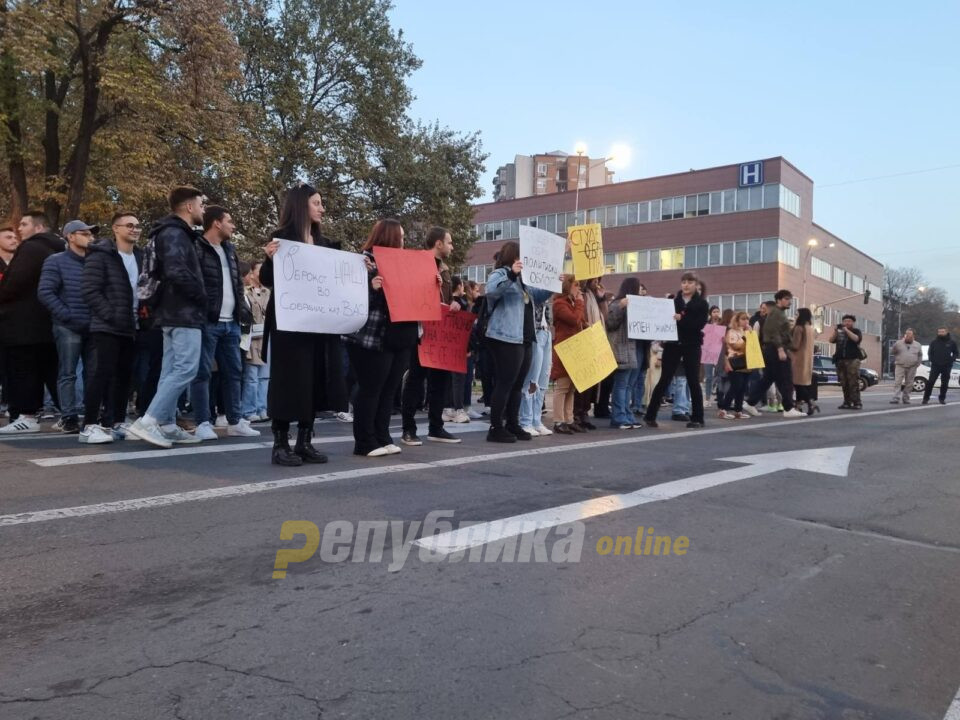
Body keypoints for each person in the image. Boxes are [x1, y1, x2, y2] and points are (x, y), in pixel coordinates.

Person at [259, 184, 345, 465]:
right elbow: (267, 279)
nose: (322, 208)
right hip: (288, 324)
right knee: (287, 381)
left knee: (314, 379)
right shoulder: (282, 240)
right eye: (317, 203)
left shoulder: (326, 245)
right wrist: (270, 258)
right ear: (301, 206)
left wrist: (361, 270)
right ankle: (280, 443)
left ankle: (304, 441)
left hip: (318, 323)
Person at [126, 187, 208, 448]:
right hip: (183, 312)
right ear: (188, 207)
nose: (203, 209)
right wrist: (202, 296)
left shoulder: (173, 232)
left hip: (172, 313)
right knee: (185, 369)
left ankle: (167, 424)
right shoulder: (175, 233)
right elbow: (175, 271)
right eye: (201, 204)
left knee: (171, 370)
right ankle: (148, 421)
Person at [343, 219, 419, 457]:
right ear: (390, 238)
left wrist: (430, 284)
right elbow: (347, 297)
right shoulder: (363, 262)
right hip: (371, 337)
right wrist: (370, 287)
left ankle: (382, 436)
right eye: (401, 237)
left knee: (389, 388)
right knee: (371, 387)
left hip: (398, 336)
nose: (404, 242)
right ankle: (364, 441)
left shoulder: (405, 264)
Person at [190, 206, 259, 441]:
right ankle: (202, 422)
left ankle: (235, 420)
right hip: (208, 321)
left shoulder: (229, 249)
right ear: (217, 223)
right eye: (229, 221)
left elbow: (237, 285)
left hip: (231, 323)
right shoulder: (197, 247)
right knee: (202, 373)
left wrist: (242, 311)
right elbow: (194, 282)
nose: (233, 225)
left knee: (234, 372)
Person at [79, 215, 144, 443]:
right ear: (116, 229)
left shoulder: (140, 256)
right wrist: (110, 315)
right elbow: (90, 290)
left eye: (137, 226)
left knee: (124, 376)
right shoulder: (101, 255)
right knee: (101, 374)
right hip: (107, 326)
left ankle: (116, 421)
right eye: (129, 225)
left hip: (133, 325)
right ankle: (89, 425)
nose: (135, 229)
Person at [0, 211, 65, 434]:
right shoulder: (61, 247)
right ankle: (69, 414)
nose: (19, 229)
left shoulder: (31, 248)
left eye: (25, 224)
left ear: (38, 228)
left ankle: (27, 416)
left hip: (22, 322)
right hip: (50, 321)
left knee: (23, 369)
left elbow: (14, 282)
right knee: (52, 370)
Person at [482, 241, 553, 442]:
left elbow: (537, 297)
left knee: (518, 384)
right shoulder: (501, 274)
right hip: (505, 337)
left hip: (524, 337)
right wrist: (512, 274)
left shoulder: (525, 280)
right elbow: (492, 292)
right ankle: (496, 427)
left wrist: (551, 285)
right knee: (505, 382)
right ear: (514, 256)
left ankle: (513, 424)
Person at [398, 226, 461, 445]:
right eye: (450, 242)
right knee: (416, 380)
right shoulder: (418, 263)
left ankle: (436, 427)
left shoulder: (445, 269)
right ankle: (408, 429)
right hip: (422, 332)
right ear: (438, 243)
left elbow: (446, 299)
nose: (452, 246)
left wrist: (453, 303)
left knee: (440, 382)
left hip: (440, 333)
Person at [37, 220, 96, 434]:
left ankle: (91, 415)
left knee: (93, 373)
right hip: (67, 326)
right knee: (68, 373)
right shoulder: (55, 261)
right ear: (70, 236)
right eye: (85, 233)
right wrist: (66, 316)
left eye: (91, 234)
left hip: (93, 326)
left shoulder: (95, 261)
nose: (91, 237)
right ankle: (69, 416)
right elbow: (45, 292)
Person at [643, 272, 710, 428]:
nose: (686, 285)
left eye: (690, 282)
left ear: (696, 285)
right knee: (665, 379)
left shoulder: (702, 304)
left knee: (693, 380)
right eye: (684, 282)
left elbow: (699, 324)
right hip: (673, 344)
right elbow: (662, 319)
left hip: (691, 344)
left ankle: (698, 418)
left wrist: (682, 319)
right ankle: (650, 415)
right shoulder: (672, 302)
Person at [743, 290, 806, 418]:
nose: (790, 301)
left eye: (790, 299)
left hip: (773, 350)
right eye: (787, 299)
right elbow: (772, 332)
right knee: (786, 379)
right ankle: (788, 408)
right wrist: (780, 349)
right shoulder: (776, 313)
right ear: (779, 300)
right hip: (775, 350)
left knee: (767, 379)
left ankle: (750, 403)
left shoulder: (779, 313)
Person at [518, 277, 554, 437]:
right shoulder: (529, 284)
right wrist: (553, 282)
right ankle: (526, 420)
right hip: (536, 332)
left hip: (546, 332)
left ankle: (536, 420)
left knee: (543, 379)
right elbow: (539, 296)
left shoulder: (542, 284)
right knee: (532, 379)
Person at [551, 277, 586, 434]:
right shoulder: (559, 304)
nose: (578, 288)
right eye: (575, 285)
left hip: (575, 349)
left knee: (571, 387)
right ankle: (559, 420)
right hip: (565, 349)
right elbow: (573, 320)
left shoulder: (571, 303)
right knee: (563, 386)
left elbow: (580, 321)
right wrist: (579, 303)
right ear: (567, 287)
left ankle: (569, 419)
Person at [606, 277, 641, 429]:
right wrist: (620, 307)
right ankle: (619, 417)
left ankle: (626, 414)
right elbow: (611, 323)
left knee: (629, 385)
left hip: (632, 349)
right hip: (621, 349)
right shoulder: (616, 303)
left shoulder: (637, 305)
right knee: (621, 384)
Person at [573, 278, 607, 428]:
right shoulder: (581, 294)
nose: (596, 282)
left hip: (595, 339)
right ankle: (577, 413)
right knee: (582, 379)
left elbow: (605, 316)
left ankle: (584, 412)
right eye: (593, 280)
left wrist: (602, 298)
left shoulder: (594, 296)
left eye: (597, 280)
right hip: (582, 338)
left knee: (592, 380)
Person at [242, 261, 270, 421]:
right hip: (251, 339)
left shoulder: (268, 292)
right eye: (259, 270)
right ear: (251, 273)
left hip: (266, 338)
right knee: (251, 377)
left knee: (264, 376)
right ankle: (249, 410)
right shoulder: (245, 292)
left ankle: (262, 408)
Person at [442, 276, 471, 424]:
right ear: (459, 286)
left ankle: (448, 408)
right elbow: (466, 327)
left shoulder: (446, 303)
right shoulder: (461, 303)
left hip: (447, 344)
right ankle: (458, 409)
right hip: (459, 345)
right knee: (459, 378)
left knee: (449, 378)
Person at [717, 312, 752, 420]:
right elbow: (736, 346)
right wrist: (747, 336)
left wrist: (750, 334)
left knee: (742, 388)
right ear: (737, 320)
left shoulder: (746, 331)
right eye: (743, 319)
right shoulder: (731, 332)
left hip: (746, 362)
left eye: (747, 319)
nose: (746, 321)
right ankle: (724, 409)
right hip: (734, 362)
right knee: (735, 386)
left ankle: (738, 410)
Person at [828, 314, 864, 410]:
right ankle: (847, 402)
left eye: (849, 321)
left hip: (853, 360)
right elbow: (831, 340)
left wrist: (846, 330)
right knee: (844, 382)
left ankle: (857, 402)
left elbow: (856, 339)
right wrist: (836, 331)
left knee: (853, 382)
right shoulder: (839, 332)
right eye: (845, 321)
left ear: (853, 322)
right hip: (840, 360)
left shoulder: (856, 331)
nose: (847, 323)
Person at [791, 308, 818, 415]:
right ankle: (798, 406)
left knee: (798, 385)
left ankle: (810, 402)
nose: (795, 316)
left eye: (796, 314)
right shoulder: (810, 328)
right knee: (801, 384)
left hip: (797, 359)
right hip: (807, 359)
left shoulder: (799, 327)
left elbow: (795, 345)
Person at [922, 327, 958, 405]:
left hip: (946, 366)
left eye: (942, 332)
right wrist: (932, 360)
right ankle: (926, 398)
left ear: (946, 332)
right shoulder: (934, 342)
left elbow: (956, 353)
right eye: (939, 332)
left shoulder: (952, 342)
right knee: (930, 382)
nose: (940, 333)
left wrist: (952, 360)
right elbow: (930, 353)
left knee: (944, 383)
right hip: (935, 365)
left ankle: (942, 398)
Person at [889, 328, 923, 404]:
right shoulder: (898, 343)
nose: (908, 336)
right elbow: (892, 352)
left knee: (909, 383)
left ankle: (906, 398)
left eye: (910, 335)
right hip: (900, 365)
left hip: (912, 366)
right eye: (907, 334)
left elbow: (920, 355)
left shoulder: (918, 345)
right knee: (898, 382)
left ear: (913, 336)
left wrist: (918, 363)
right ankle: (896, 397)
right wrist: (894, 348)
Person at [702, 305, 722, 407]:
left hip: (719, 353)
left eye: (717, 311)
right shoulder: (706, 324)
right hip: (708, 352)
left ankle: (720, 397)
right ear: (710, 313)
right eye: (714, 312)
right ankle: (707, 398)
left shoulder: (723, 324)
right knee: (708, 376)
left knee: (720, 376)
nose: (716, 313)